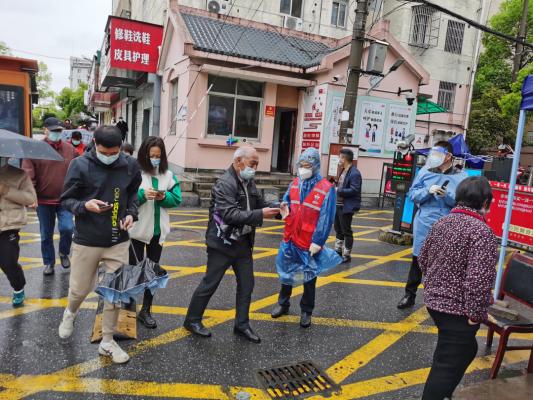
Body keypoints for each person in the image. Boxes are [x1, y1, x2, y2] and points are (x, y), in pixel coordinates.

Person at [58, 125, 141, 364]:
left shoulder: (130, 165)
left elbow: (133, 194)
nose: (109, 156)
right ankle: (70, 312)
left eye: (114, 152)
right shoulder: (80, 165)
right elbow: (66, 200)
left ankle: (107, 341)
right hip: (87, 239)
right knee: (79, 289)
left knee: (115, 292)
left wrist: (131, 214)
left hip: (118, 240)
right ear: (94, 143)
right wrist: (84, 206)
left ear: (121, 147)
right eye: (104, 152)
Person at [183, 146, 280, 343]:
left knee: (247, 284)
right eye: (252, 163)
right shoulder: (224, 183)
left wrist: (278, 209)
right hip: (222, 243)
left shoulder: (248, 181)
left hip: (243, 242)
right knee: (210, 283)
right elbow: (230, 214)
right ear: (238, 161)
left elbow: (259, 203)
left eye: (257, 164)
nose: (254, 168)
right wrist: (261, 214)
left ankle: (241, 325)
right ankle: (192, 320)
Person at [419, 176, 498, 400]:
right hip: (458, 310)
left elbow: (422, 259)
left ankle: (444, 393)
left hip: (435, 302)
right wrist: (475, 315)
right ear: (485, 202)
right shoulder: (481, 231)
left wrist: (435, 284)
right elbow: (478, 280)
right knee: (447, 364)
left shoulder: (441, 222)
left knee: (462, 350)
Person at [271, 148, 341, 328]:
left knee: (309, 276)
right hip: (291, 237)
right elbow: (287, 200)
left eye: (307, 165)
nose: (304, 168)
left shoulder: (326, 188)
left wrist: (318, 241)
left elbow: (326, 217)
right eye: (301, 165)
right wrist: (283, 207)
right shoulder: (295, 183)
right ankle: (283, 304)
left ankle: (306, 311)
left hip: (309, 241)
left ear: (316, 165)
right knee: (286, 273)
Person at [397, 140, 467, 309]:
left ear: (448, 156)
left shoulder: (462, 177)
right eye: (432, 154)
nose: (433, 157)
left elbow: (463, 202)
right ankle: (409, 294)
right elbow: (412, 194)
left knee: (445, 262)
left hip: (448, 224)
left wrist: (446, 195)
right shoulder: (424, 172)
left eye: (437, 154)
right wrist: (427, 191)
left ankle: (441, 299)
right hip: (424, 222)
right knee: (418, 259)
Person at [128, 136, 182, 328]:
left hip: (157, 233)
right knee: (132, 271)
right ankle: (128, 309)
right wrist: (142, 195)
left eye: (158, 156)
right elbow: (126, 197)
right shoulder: (134, 173)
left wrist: (163, 196)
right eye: (152, 156)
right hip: (136, 231)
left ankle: (146, 310)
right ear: (144, 155)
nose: (155, 159)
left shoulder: (168, 175)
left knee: (152, 272)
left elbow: (177, 199)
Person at [22, 117, 78, 276]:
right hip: (43, 200)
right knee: (46, 234)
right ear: (45, 130)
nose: (56, 133)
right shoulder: (34, 149)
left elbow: (78, 170)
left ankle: (64, 252)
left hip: (65, 199)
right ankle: (49, 262)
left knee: (68, 228)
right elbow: (28, 174)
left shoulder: (70, 150)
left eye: (59, 131)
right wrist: (31, 195)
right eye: (53, 130)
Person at [0, 157, 37, 307]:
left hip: (9, 225)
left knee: (8, 262)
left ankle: (18, 287)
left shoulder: (19, 174)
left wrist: (5, 190)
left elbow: (30, 198)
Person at [333, 148, 362, 263]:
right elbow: (343, 185)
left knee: (346, 230)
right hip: (338, 204)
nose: (339, 159)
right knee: (338, 229)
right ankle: (337, 251)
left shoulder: (355, 173)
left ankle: (347, 255)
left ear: (344, 158)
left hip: (346, 206)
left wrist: (338, 190)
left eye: (340, 157)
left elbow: (354, 190)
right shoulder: (344, 170)